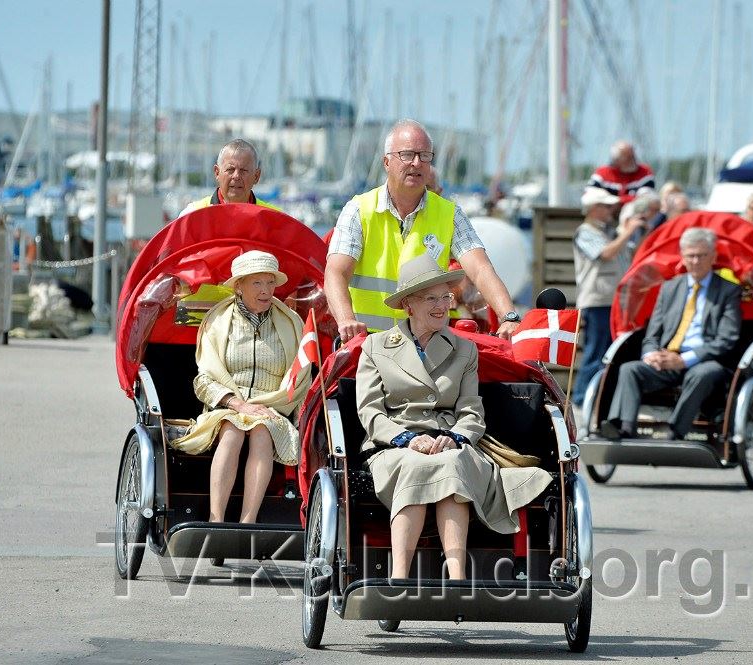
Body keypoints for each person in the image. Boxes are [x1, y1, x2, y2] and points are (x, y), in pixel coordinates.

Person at [356, 254, 551, 579]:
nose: (441, 305)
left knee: (452, 462)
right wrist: (407, 439)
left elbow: (472, 410)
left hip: (450, 441)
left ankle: (457, 577)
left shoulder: (464, 350)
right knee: (415, 464)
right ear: (408, 304)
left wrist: (457, 436)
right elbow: (370, 411)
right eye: (430, 298)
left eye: (445, 296)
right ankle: (399, 576)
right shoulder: (375, 348)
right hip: (392, 444)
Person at [326, 119, 521, 342]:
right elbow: (335, 272)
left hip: (428, 345)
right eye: (407, 155)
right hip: (368, 343)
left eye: (425, 156)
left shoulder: (450, 213)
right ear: (386, 162)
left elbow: (480, 268)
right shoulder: (358, 209)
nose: (417, 163)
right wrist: (345, 321)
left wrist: (509, 316)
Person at [171, 250, 311, 523]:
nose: (266, 290)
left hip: (273, 410)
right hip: (227, 408)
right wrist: (238, 404)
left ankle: (248, 521)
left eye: (270, 283)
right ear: (239, 285)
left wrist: (275, 408)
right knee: (233, 430)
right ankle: (216, 518)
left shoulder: (292, 323)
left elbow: (301, 379)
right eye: (257, 283)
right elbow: (203, 380)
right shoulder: (217, 322)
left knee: (261, 431)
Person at [601, 227, 742, 440]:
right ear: (682, 257)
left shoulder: (728, 290)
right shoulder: (669, 288)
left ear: (713, 256)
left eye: (701, 255)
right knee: (630, 369)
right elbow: (652, 334)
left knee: (701, 374)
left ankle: (675, 430)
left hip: (706, 360)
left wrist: (684, 360)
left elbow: (726, 339)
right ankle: (623, 427)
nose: (695, 261)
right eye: (690, 256)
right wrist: (651, 355)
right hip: (667, 358)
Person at [572, 188, 644, 406]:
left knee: (608, 352)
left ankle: (597, 399)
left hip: (611, 302)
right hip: (597, 301)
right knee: (595, 352)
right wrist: (628, 231)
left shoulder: (608, 231)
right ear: (594, 208)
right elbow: (606, 254)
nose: (611, 209)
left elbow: (628, 253)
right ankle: (581, 399)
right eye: (606, 206)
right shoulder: (585, 232)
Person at [179, 138, 281, 216]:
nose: (236, 176)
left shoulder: (273, 218)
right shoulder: (193, 215)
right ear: (217, 173)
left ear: (256, 176)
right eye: (230, 170)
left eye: (244, 170)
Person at [587, 140, 655, 205]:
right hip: (606, 211)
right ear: (616, 160)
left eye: (633, 156)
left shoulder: (645, 172)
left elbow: (646, 198)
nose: (632, 160)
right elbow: (589, 195)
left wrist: (617, 200)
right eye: (628, 158)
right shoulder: (601, 173)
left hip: (633, 212)